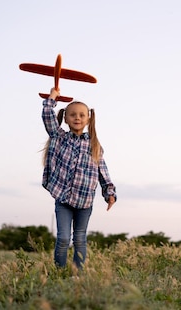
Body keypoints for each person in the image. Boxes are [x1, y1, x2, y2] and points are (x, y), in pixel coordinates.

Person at [41, 87, 117, 270]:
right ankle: (59, 273)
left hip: (85, 201)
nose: (77, 118)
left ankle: (77, 274)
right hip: (64, 198)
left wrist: (110, 193)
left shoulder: (94, 145)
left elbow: (103, 172)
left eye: (82, 115)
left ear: (88, 119)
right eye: (73, 115)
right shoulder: (59, 138)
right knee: (63, 238)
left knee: (80, 238)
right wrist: (52, 97)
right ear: (65, 118)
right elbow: (47, 116)